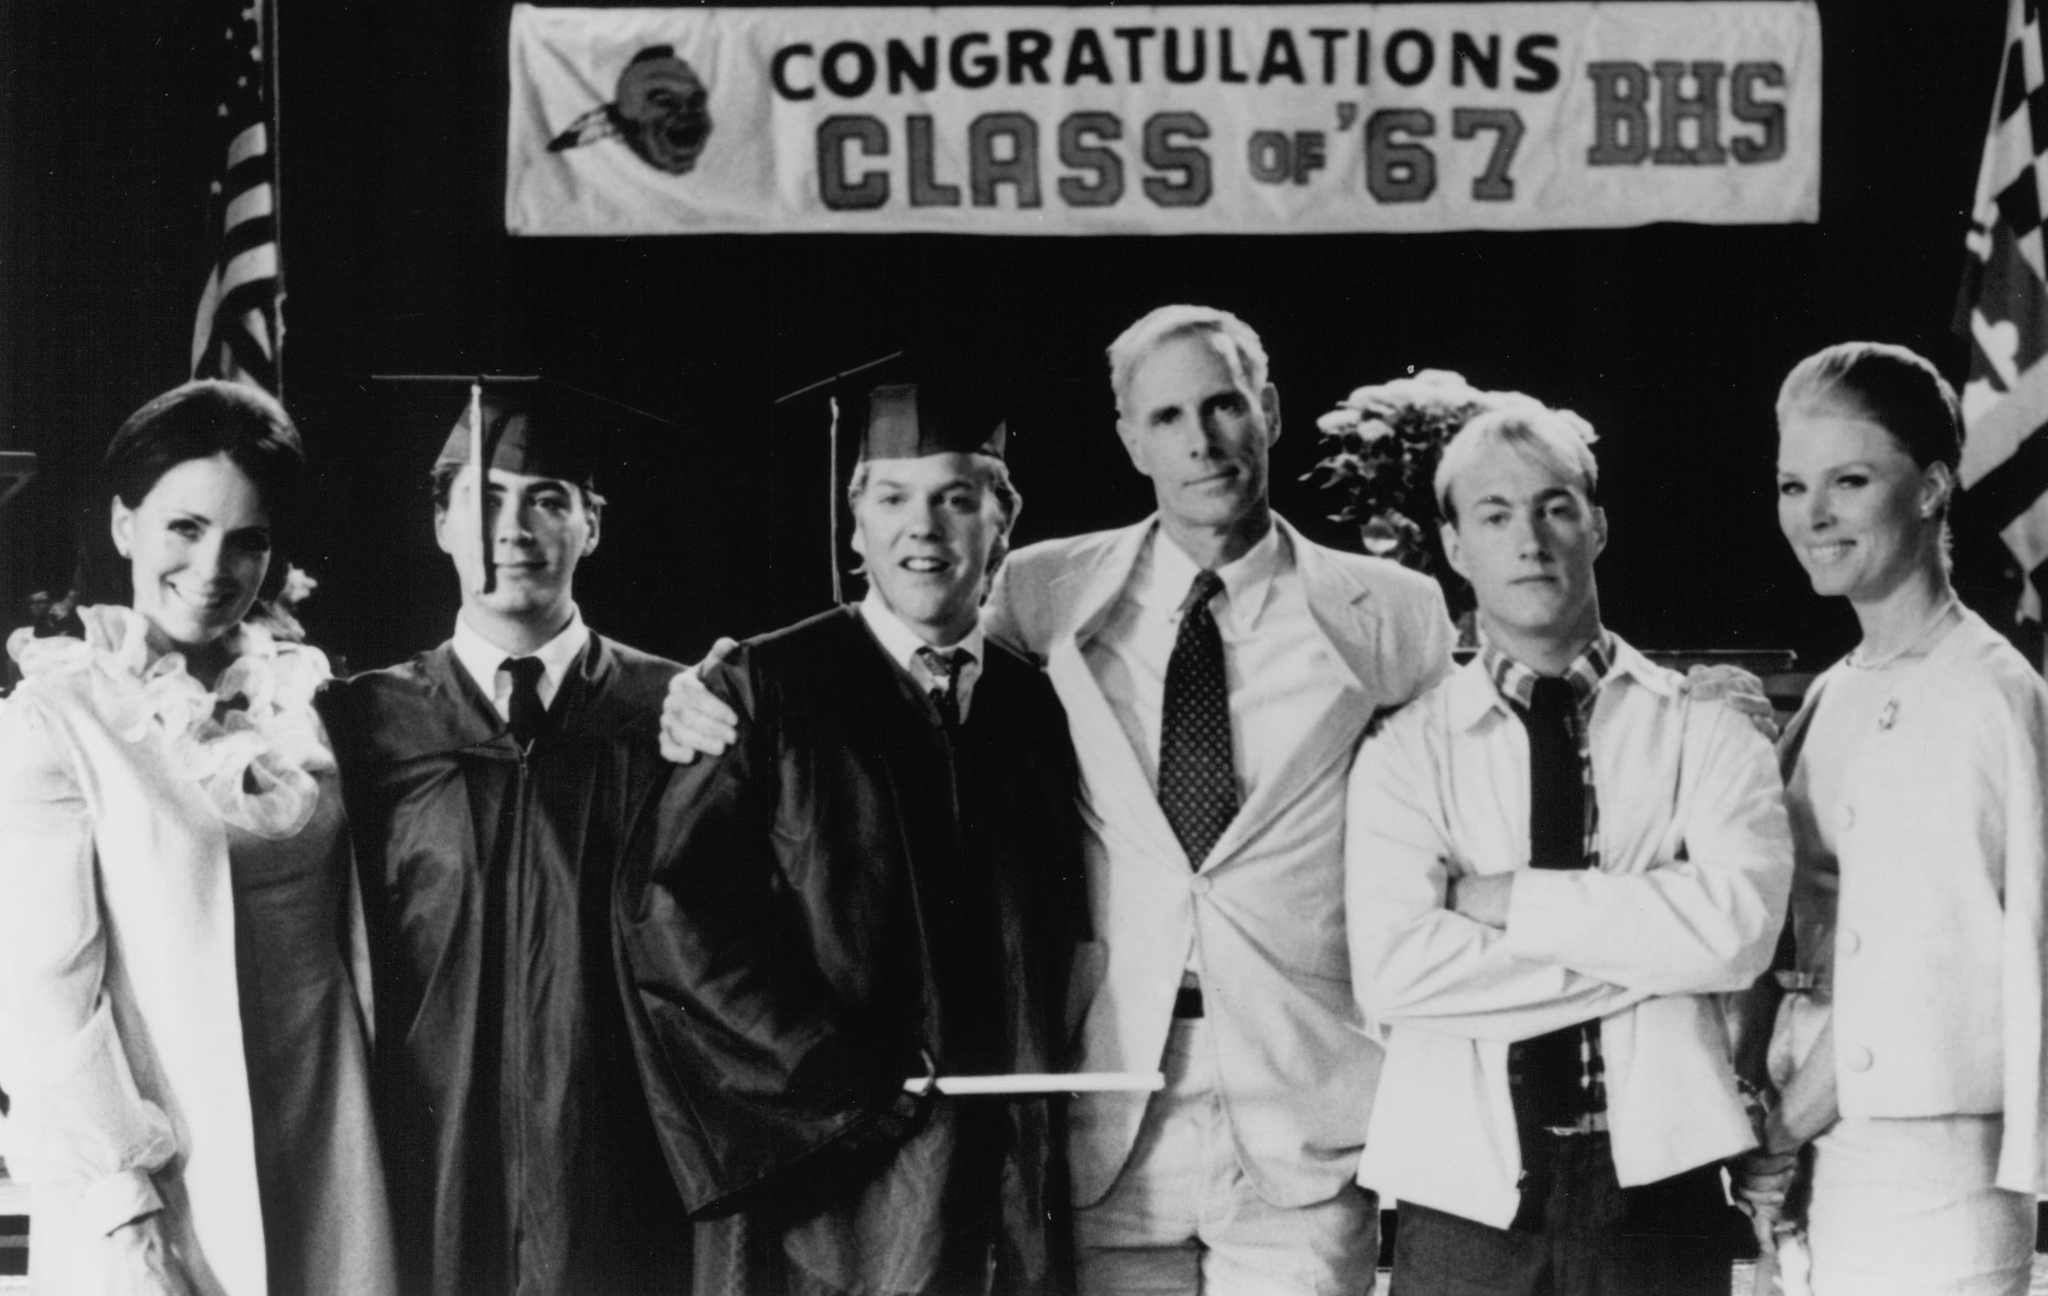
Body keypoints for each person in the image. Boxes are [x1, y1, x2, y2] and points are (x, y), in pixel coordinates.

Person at [665, 307, 1458, 1293]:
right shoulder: (1045, 592)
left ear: (1270, 408)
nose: (1201, 440)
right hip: (1101, 1104)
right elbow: (905, 636)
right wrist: (707, 689)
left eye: (1222, 404)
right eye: (1166, 415)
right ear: (1129, 437)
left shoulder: (1390, 609)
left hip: (1303, 1100)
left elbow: (1442, 811)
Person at [618, 379, 1086, 1295]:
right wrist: (844, 1082)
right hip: (828, 1176)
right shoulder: (763, 687)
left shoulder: (1035, 708)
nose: (925, 529)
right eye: (893, 499)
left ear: (1005, 520)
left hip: (999, 1169)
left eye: (957, 498)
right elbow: (671, 924)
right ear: (854, 525)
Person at [1345, 402, 1791, 1295]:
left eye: (1554, 506)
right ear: (1456, 546)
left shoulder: (1701, 729)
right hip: (1464, 1197)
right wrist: (1659, 943)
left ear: (1597, 524)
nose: (1530, 540)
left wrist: (1511, 900)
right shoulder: (1404, 752)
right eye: (1495, 515)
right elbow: (1396, 973)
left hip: (1661, 1184)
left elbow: (1738, 935)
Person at [0, 379, 396, 1296]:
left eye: (247, 539)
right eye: (184, 527)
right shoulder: (57, 719)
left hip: (331, 1150)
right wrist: (126, 1221)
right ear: (122, 524)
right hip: (167, 1188)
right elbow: (44, 1010)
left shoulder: (304, 706)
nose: (214, 567)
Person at [318, 380, 689, 1296]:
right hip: (425, 1157)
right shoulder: (358, 726)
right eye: (482, 500)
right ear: (440, 523)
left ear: (591, 525)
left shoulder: (681, 714)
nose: (511, 529)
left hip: (625, 1171)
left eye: (546, 499)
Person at [1730, 342, 2048, 1296]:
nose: (1813, 516)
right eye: (1793, 485)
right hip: (1835, 1134)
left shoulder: (1978, 693)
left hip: (1926, 1165)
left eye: (1850, 480)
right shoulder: (1840, 685)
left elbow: (1910, 965)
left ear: (1933, 487)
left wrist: (1779, 1136)